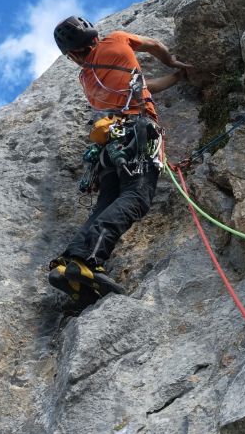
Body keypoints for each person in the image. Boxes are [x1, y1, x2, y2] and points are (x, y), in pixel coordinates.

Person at [48, 16, 193, 308]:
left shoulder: (86, 78)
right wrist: (172, 62)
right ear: (93, 35)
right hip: (136, 133)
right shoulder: (116, 40)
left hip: (108, 146)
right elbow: (154, 45)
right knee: (136, 196)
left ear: (72, 55)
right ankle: (90, 260)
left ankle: (70, 263)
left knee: (107, 202)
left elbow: (144, 87)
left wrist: (175, 79)